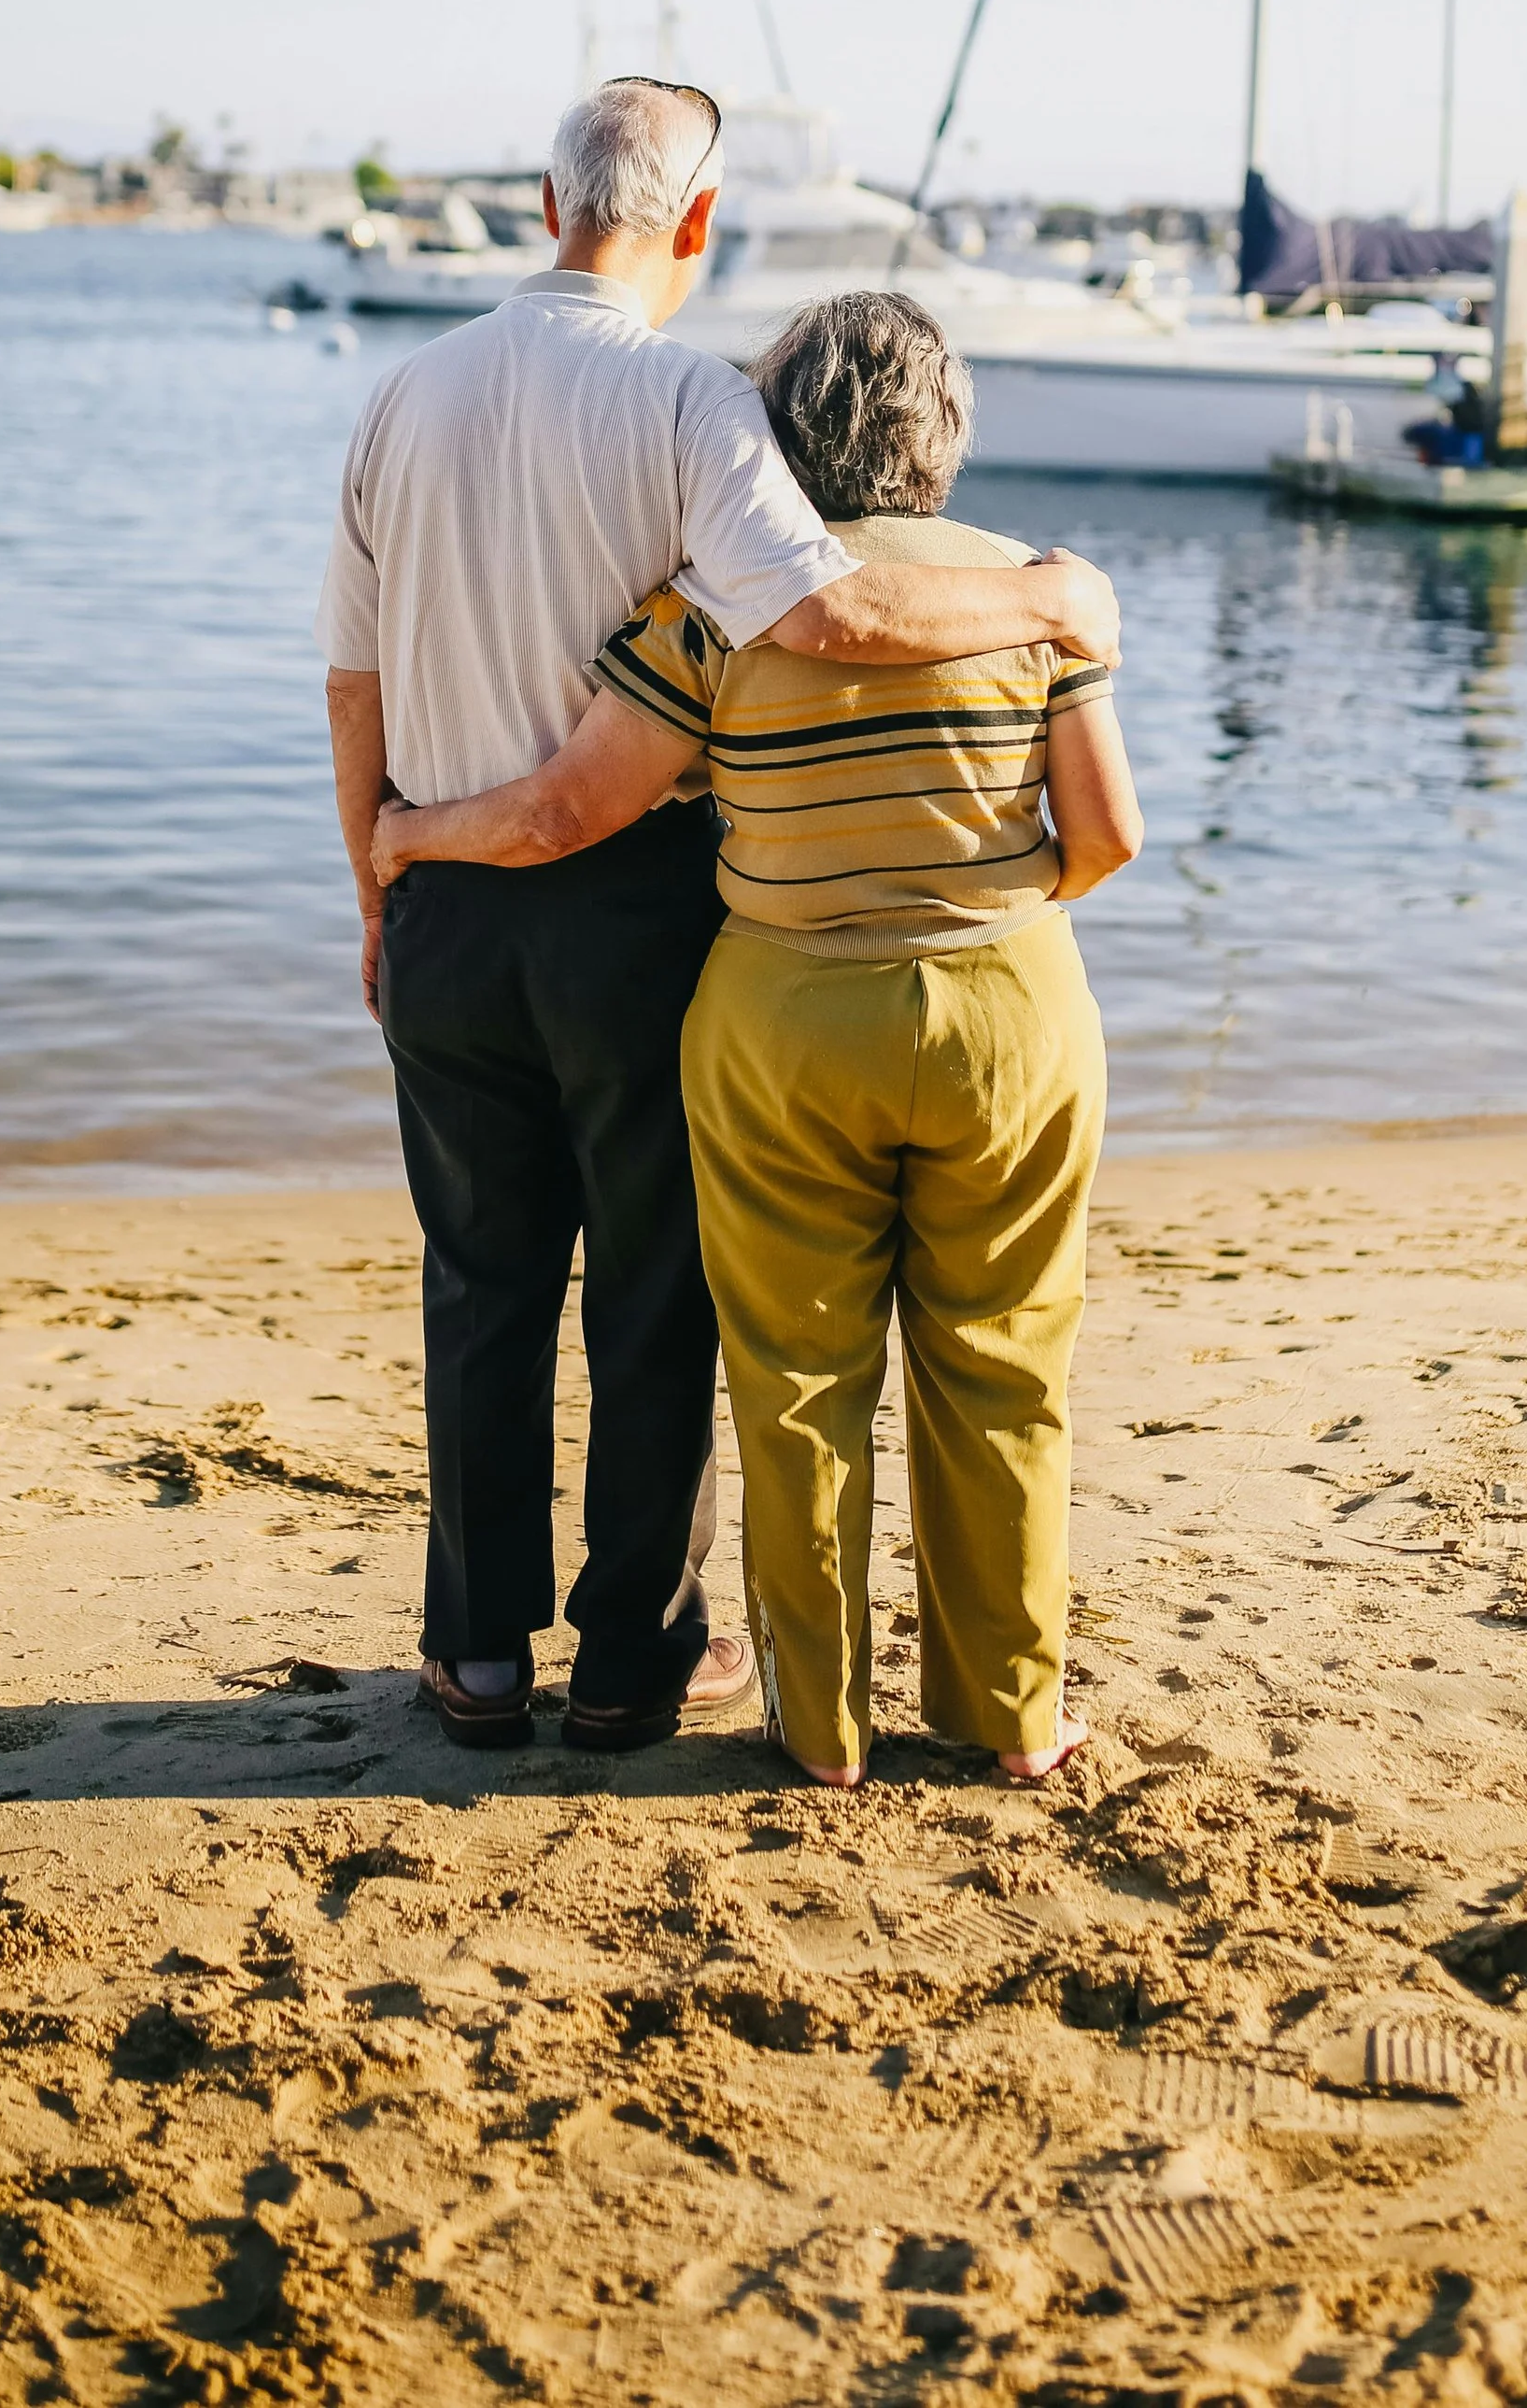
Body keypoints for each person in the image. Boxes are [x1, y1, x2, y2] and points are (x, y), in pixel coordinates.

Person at [318, 85, 1123, 1755]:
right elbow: (831, 603)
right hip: (634, 912)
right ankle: (629, 1660)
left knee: (477, 1281)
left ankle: (473, 1660)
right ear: (692, 223)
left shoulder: (401, 395)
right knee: (652, 1291)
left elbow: (355, 684)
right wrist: (1049, 602)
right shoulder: (693, 398)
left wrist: (377, 878)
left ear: (549, 202)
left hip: (448, 894)